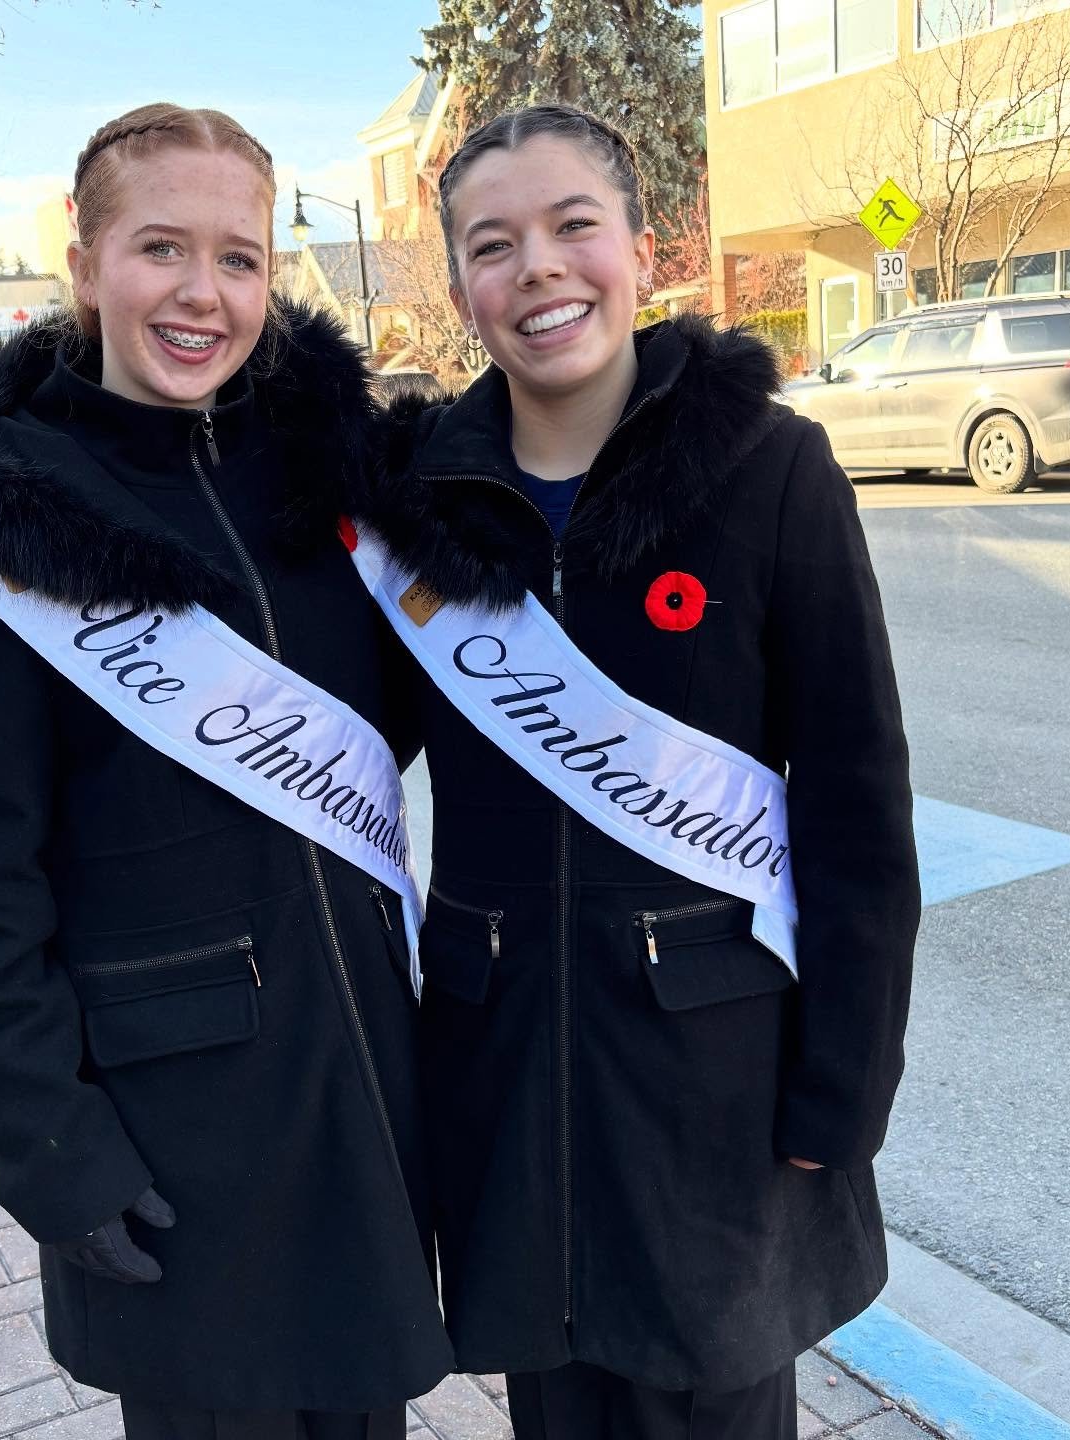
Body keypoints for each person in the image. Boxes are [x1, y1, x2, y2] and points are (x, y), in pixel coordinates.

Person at [0, 103, 453, 1439]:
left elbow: (392, 731)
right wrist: (49, 1143)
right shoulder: (5, 524)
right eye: (161, 248)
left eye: (239, 258)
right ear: (84, 262)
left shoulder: (323, 476)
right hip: (171, 1128)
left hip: (358, 1078)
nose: (204, 293)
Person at [358, 104, 920, 1440]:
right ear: (461, 288)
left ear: (644, 249)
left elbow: (855, 801)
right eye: (494, 245)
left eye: (574, 226)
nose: (539, 269)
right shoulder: (414, 503)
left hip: (714, 1083)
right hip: (505, 1070)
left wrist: (844, 1086)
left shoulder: (771, 469)